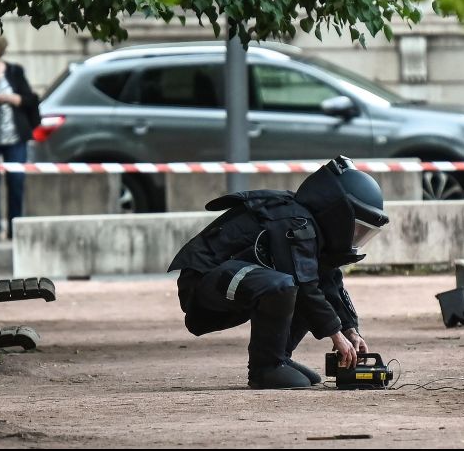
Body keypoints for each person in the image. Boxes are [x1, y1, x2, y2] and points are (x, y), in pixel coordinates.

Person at [167, 156, 390, 389]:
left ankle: (279, 358)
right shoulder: (294, 222)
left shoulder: (311, 227)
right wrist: (335, 335)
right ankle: (265, 367)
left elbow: (326, 283)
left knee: (302, 287)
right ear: (340, 214)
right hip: (203, 284)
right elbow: (305, 286)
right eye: (358, 229)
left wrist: (350, 330)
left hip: (233, 280)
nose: (357, 237)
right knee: (286, 285)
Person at [0, 33, 40, 242]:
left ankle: (15, 228)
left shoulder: (14, 71)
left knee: (16, 181)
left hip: (14, 138)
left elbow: (30, 99)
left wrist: (14, 98)